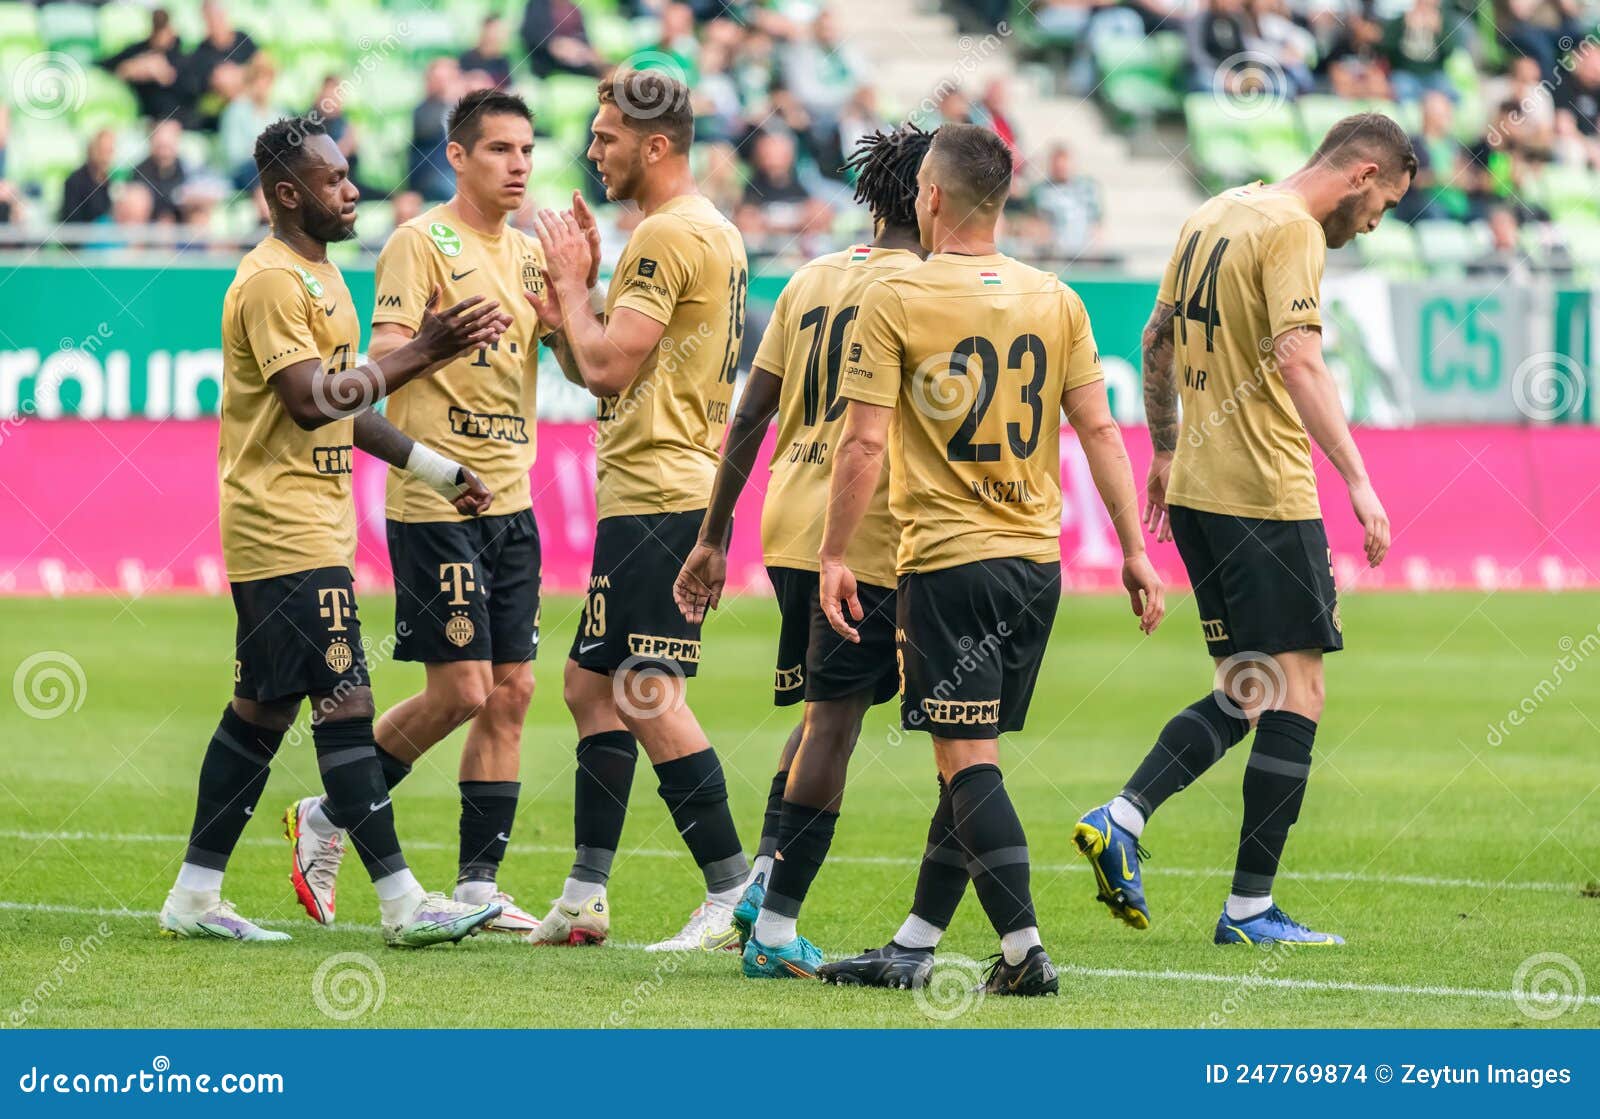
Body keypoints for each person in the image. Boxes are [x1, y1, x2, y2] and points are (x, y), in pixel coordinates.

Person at [814, 124, 1164, 996]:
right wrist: (1132, 547)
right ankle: (913, 944)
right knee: (965, 758)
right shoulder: (1056, 298)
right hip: (1034, 562)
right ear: (1001, 201)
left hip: (949, 560)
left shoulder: (895, 298)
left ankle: (1022, 951)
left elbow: (861, 445)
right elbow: (1101, 431)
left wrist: (831, 553)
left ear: (929, 196)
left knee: (966, 760)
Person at [159, 114, 511, 947]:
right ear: (288, 193)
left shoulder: (322, 277)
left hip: (307, 523)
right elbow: (309, 400)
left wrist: (433, 467)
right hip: (283, 528)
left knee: (259, 713)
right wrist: (420, 350)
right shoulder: (274, 280)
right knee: (346, 702)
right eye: (333, 179)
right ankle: (402, 902)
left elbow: (345, 413)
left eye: (350, 175)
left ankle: (194, 894)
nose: (352, 190)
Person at [1075, 113, 1411, 947]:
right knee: (1300, 690)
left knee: (1251, 687)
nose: (1375, 225)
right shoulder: (1294, 229)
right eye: (1386, 205)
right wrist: (1360, 481)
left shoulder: (1215, 212)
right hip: (1263, 489)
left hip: (1196, 490)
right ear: (1363, 173)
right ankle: (1251, 910)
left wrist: (1161, 447)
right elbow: (1299, 356)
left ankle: (1123, 815)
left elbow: (1155, 339)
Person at [283, 89, 597, 936]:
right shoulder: (421, 243)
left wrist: (574, 292)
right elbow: (377, 367)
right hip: (436, 498)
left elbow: (584, 366)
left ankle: (476, 886)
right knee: (460, 689)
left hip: (514, 498)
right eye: (499, 149)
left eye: (528, 149)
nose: (520, 164)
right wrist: (434, 342)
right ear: (458, 156)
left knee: (513, 691)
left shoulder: (533, 254)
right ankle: (327, 812)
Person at [672, 125, 936, 980]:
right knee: (835, 721)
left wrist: (714, 536)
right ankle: (777, 930)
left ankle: (759, 884)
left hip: (790, 518)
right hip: (864, 533)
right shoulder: (929, 289)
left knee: (826, 709)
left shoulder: (815, 276)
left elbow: (749, 413)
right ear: (936, 196)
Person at [521, 69, 751, 953]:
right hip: (652, 486)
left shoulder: (662, 236)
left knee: (648, 690)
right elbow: (598, 365)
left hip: (659, 489)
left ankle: (732, 889)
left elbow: (611, 369)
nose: (591, 150)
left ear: (656, 145)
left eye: (607, 135)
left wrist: (577, 286)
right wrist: (563, 311)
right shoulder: (708, 230)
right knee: (591, 685)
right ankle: (584, 895)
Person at [101, 7, 188, 124]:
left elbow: (188, 85)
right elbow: (107, 64)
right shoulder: (140, 49)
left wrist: (164, 72)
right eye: (157, 29)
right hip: (142, 113)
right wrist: (132, 67)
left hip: (172, 116)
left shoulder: (182, 52)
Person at [186, 0, 258, 131]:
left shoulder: (243, 39)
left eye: (218, 16)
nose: (215, 22)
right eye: (210, 17)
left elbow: (263, 68)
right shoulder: (200, 53)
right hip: (221, 115)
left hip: (252, 105)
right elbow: (202, 95)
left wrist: (239, 75)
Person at [1030, 143, 1102, 257]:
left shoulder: (1087, 188)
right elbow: (1035, 225)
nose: (1061, 168)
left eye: (1064, 164)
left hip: (1083, 253)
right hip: (1054, 254)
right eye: (1057, 165)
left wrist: (1095, 251)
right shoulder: (1040, 191)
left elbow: (1097, 225)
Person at [411, 59, 461, 202]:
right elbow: (431, 129)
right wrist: (449, 100)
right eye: (439, 80)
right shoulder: (422, 111)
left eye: (448, 79)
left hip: (458, 173)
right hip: (431, 176)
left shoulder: (462, 106)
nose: (443, 85)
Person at [133, 119, 188, 223]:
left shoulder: (187, 169)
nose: (164, 153)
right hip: (148, 226)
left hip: (180, 224)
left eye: (167, 147)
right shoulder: (140, 171)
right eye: (160, 147)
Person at [60, 130, 117, 225]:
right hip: (82, 236)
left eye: (110, 151)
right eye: (103, 151)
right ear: (92, 150)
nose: (106, 157)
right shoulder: (75, 181)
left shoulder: (110, 180)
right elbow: (72, 221)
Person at [460, 15, 513, 89]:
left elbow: (508, 87)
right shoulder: (467, 57)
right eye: (494, 30)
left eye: (500, 31)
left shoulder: (503, 61)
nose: (497, 35)